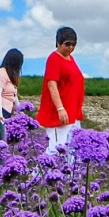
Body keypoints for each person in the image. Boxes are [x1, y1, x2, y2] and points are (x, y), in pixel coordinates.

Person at [36, 26, 84, 156]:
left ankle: (70, 176)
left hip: (73, 112)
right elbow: (52, 84)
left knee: (74, 149)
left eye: (74, 44)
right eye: (67, 44)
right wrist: (60, 108)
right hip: (59, 113)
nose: (70, 48)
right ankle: (40, 176)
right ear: (58, 43)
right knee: (56, 149)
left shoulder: (70, 59)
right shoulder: (54, 59)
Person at [0, 48, 24, 144]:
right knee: (0, 144)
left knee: (5, 143)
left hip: (6, 113)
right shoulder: (1, 73)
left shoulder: (11, 76)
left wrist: (20, 112)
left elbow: (13, 96)